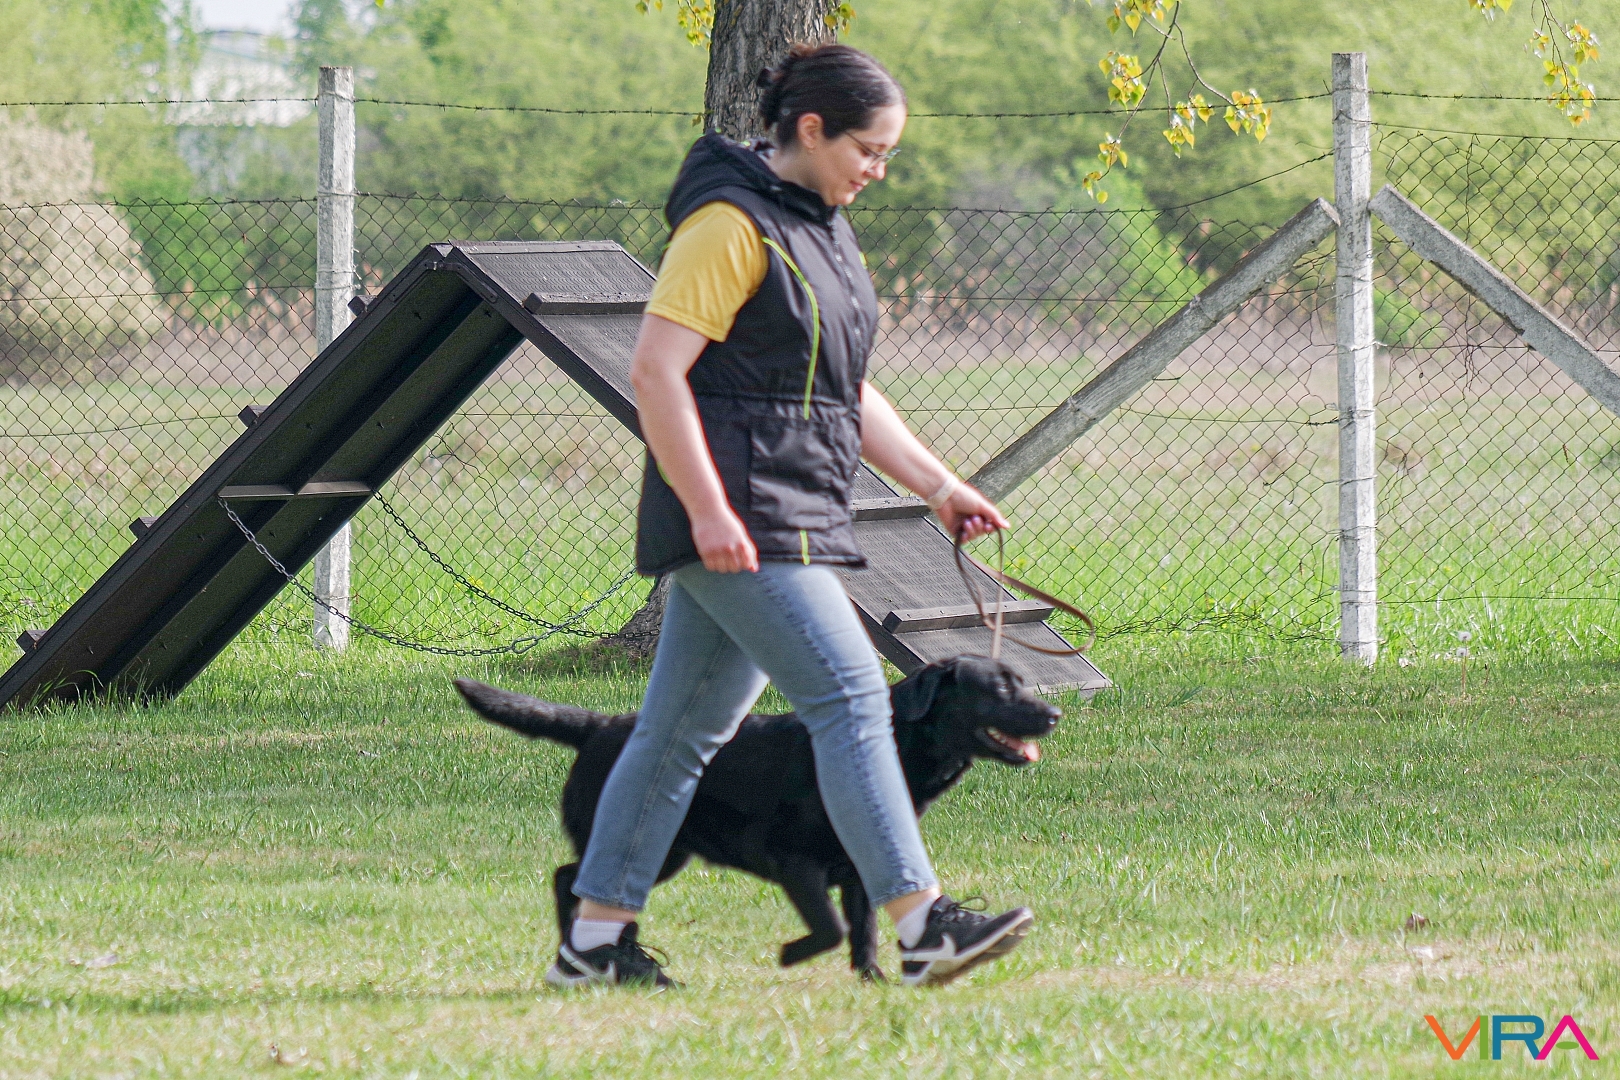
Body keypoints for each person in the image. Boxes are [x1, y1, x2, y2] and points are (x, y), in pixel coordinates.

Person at [548, 43, 1032, 990]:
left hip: (791, 512)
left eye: (888, 154)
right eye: (869, 149)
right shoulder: (727, 226)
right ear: (810, 130)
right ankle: (923, 923)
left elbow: (845, 390)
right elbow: (655, 372)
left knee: (679, 734)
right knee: (852, 699)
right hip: (741, 517)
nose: (878, 170)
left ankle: (593, 948)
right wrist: (705, 509)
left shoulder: (822, 232)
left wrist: (938, 485)